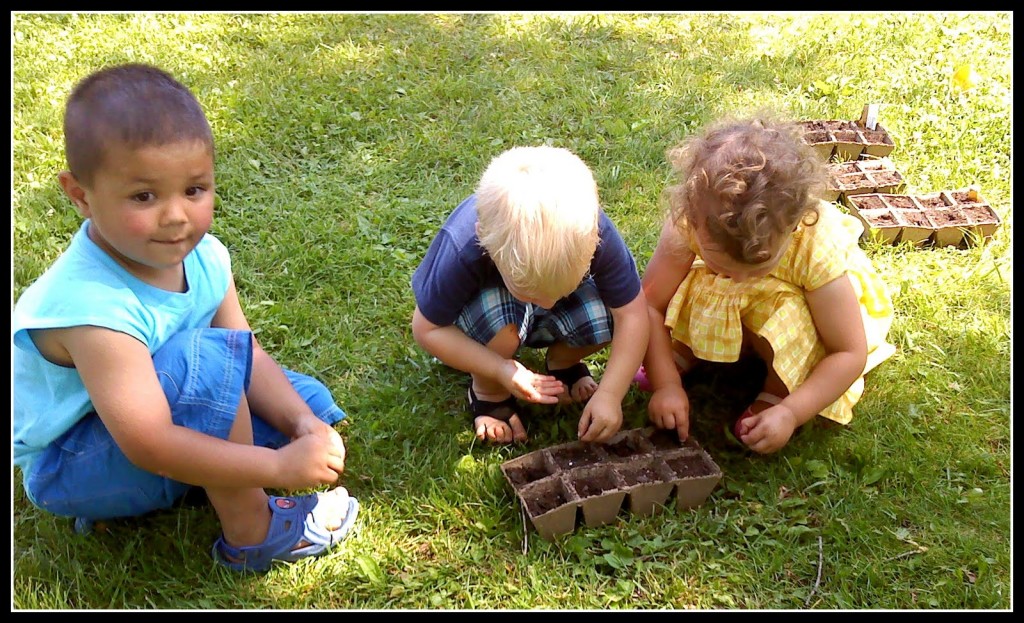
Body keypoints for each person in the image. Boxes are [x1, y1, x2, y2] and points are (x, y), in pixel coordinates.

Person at [12, 63, 359, 573]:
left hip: (163, 408)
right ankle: (254, 531)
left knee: (308, 401)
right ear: (81, 195)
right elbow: (149, 439)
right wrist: (279, 466)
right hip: (78, 461)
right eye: (144, 196)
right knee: (209, 363)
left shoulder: (204, 255)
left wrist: (302, 424)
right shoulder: (91, 307)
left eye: (194, 189)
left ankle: (206, 473)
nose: (176, 216)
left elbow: (247, 349)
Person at [637, 115, 896, 454]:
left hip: (796, 307)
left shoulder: (814, 246)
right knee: (695, 280)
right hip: (742, 306)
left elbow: (848, 352)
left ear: (793, 227)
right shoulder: (690, 221)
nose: (738, 280)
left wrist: (791, 412)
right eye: (722, 265)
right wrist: (666, 384)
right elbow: (650, 305)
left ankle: (778, 390)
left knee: (784, 307)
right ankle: (684, 350)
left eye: (758, 266)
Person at [411, 146, 649, 445]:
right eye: (531, 294)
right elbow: (427, 329)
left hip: (527, 306)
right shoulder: (464, 247)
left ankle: (562, 363)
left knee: (611, 311)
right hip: (490, 315)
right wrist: (500, 370)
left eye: (561, 291)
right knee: (502, 326)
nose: (548, 305)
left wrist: (611, 393)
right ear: (484, 241)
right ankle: (487, 391)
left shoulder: (588, 230)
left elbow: (633, 314)